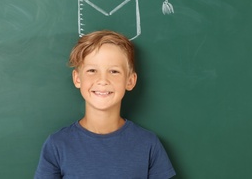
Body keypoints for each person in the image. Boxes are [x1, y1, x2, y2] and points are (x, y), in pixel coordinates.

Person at [34, 30, 176, 178]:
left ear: (130, 81)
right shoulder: (57, 145)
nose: (102, 80)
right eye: (92, 70)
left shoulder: (148, 144)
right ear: (77, 79)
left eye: (114, 71)